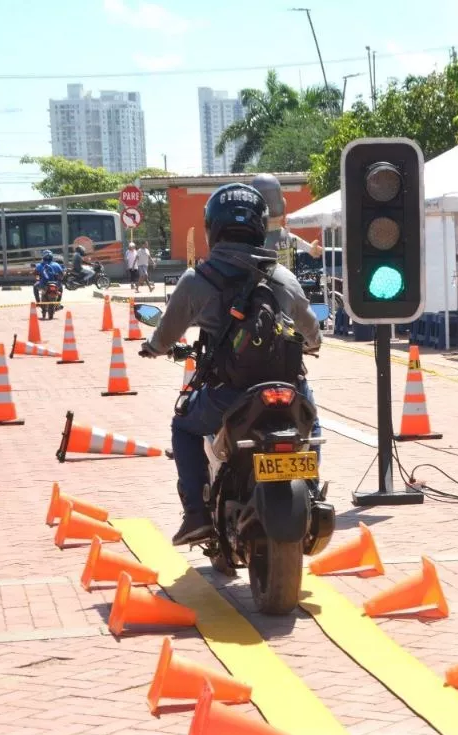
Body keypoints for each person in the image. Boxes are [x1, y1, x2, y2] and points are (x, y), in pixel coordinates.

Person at [138, 183, 323, 547]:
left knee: (185, 428)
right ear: (260, 225)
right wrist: (312, 344)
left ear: (213, 228)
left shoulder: (198, 279)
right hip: (288, 390)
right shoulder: (283, 277)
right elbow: (312, 335)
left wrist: (153, 348)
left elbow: (166, 334)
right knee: (312, 425)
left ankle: (196, 516)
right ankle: (312, 494)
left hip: (229, 394)